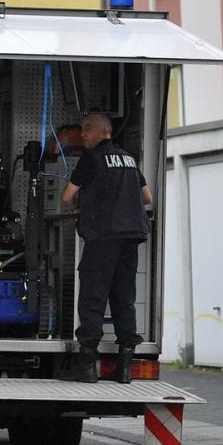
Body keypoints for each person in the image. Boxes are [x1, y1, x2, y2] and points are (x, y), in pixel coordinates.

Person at [60, 113, 152, 383]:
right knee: (124, 299)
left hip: (102, 237)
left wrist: (84, 204)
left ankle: (87, 364)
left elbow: (67, 195)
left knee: (93, 298)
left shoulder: (91, 159)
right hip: (130, 236)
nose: (83, 134)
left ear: (104, 132)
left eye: (88, 129)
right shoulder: (129, 159)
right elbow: (147, 197)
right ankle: (125, 367)